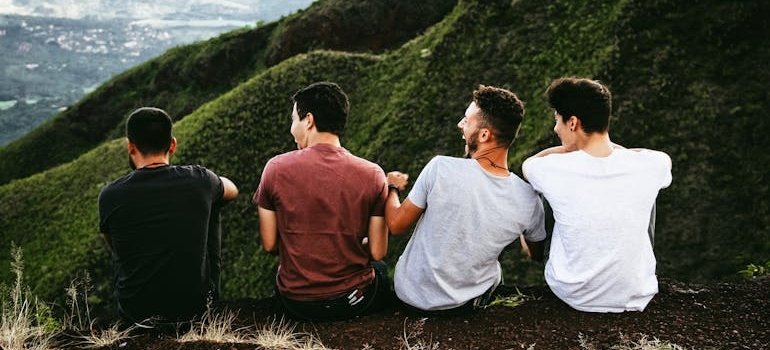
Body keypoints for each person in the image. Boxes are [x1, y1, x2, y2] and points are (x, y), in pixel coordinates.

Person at [385, 85, 547, 315]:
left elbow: (396, 224)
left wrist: (391, 187)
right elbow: (535, 254)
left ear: (484, 135)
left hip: (410, 296)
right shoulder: (528, 199)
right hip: (464, 305)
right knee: (495, 269)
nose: (460, 125)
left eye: (466, 120)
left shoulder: (440, 168)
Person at [522, 77, 672, 313]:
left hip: (573, 292)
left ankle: (537, 256)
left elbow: (529, 164)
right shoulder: (653, 165)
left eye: (557, 121)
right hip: (635, 293)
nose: (555, 129)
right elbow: (649, 156)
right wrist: (610, 151)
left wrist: (567, 149)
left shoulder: (549, 168)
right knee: (645, 192)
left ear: (572, 123)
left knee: (546, 194)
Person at [254, 82, 391, 321]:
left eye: (293, 120)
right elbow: (378, 251)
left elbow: (270, 244)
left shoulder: (275, 168)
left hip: (296, 303)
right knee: (381, 270)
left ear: (308, 120)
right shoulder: (373, 174)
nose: (291, 129)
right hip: (352, 301)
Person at [98, 107, 238, 324]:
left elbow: (115, 246)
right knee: (214, 202)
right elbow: (232, 190)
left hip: (135, 313)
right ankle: (210, 302)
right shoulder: (199, 180)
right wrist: (209, 185)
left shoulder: (110, 195)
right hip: (193, 309)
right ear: (172, 144)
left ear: (130, 147)